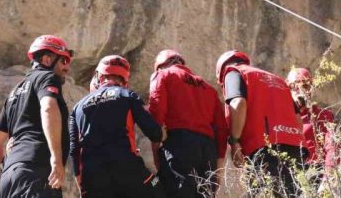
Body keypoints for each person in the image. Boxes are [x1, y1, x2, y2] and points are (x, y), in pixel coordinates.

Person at [0, 35, 74, 198]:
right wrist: (56, 159)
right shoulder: (47, 77)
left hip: (10, 179)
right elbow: (48, 108)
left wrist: (4, 170)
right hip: (36, 170)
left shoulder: (15, 93)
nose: (67, 67)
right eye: (64, 61)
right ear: (47, 59)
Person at [70, 55, 167, 197]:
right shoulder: (127, 95)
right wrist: (162, 133)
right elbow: (153, 132)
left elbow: (74, 149)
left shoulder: (77, 107)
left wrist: (80, 181)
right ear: (124, 79)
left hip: (93, 178)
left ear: (100, 77)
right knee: (157, 186)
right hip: (128, 170)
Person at [216, 51, 305, 197]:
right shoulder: (278, 80)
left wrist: (235, 140)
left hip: (264, 147)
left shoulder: (233, 72)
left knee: (263, 192)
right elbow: (298, 119)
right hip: (295, 149)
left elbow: (238, 103)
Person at [148, 49, 228, 198]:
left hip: (179, 143)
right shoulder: (209, 88)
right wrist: (219, 165)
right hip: (208, 149)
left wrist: (156, 145)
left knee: (178, 191)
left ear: (159, 66)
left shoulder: (162, 75)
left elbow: (156, 109)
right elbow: (222, 129)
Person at [286, 67, 339, 189]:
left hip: (314, 174)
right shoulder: (280, 116)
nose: (302, 91)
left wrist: (328, 178)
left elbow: (332, 146)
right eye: (295, 86)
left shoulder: (322, 115)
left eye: (307, 86)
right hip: (287, 175)